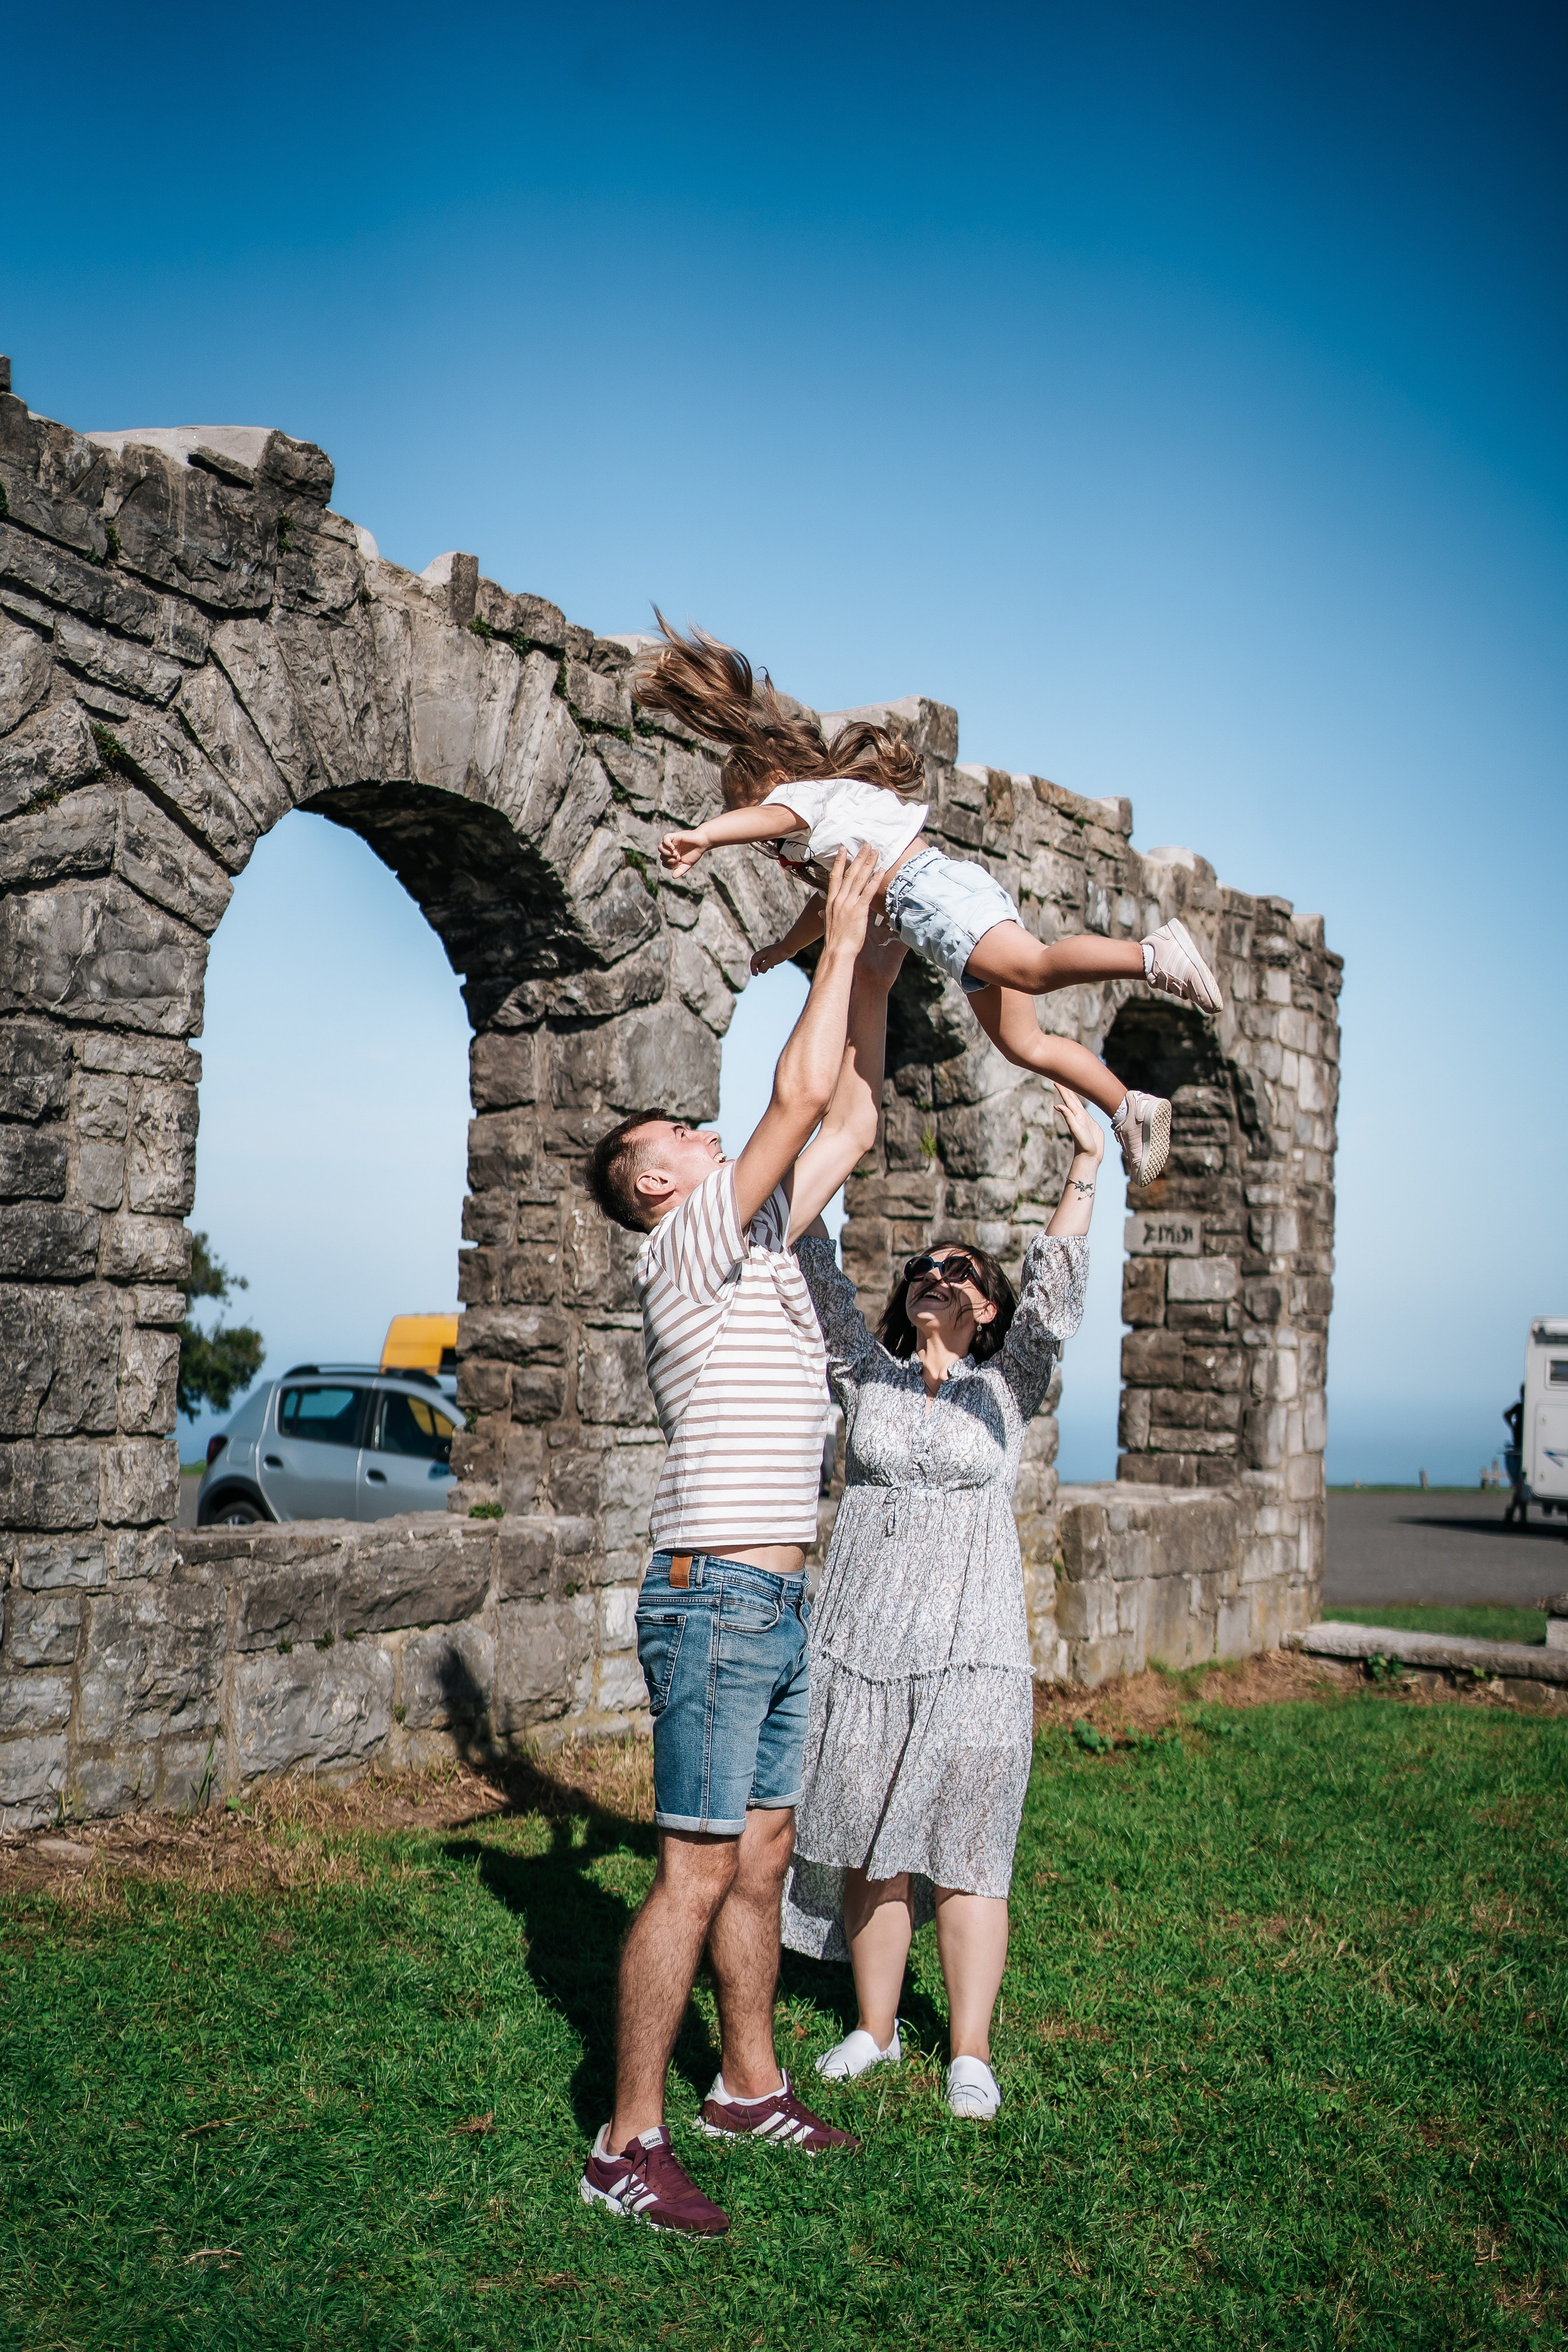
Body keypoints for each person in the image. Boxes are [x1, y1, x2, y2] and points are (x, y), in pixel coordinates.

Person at [576, 844, 906, 2237]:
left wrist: (876, 966)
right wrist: (827, 944)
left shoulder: (763, 1239)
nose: (713, 1142)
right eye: (687, 1144)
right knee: (696, 1868)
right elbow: (790, 1095)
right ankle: (624, 2137)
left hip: (774, 1600)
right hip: (710, 1595)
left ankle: (745, 2084)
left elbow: (849, 1118)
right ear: (658, 1187)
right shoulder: (685, 1246)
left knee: (763, 1857)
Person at [635, 616, 1223, 1189]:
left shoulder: (809, 800)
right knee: (1025, 1044)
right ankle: (1130, 1110)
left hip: (932, 898)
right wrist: (785, 947)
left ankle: (1152, 954)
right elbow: (827, 905)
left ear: (781, 780)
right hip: (937, 900)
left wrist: (706, 836)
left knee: (1036, 968)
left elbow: (774, 813)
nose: (765, 838)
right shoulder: (828, 828)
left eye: (759, 822)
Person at [782, 1084, 1102, 2123]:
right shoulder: (863, 1375)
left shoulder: (1009, 1389)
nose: (933, 1276)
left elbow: (1056, 1300)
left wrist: (1085, 1166)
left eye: (957, 1271)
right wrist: (822, 1117)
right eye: (922, 1267)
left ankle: (970, 2051)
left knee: (966, 1847)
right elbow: (810, 1255)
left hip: (974, 1651)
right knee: (873, 1845)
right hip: (862, 1645)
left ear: (988, 1305)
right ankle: (874, 2029)